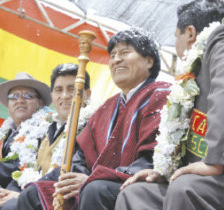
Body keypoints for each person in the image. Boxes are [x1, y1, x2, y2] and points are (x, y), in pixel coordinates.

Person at [17, 27, 170, 210]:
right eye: (112, 55)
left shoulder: (161, 95)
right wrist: (74, 180)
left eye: (125, 52)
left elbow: (152, 157)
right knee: (34, 194)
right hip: (95, 181)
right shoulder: (108, 106)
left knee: (94, 189)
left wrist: (91, 179)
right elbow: (82, 154)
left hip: (136, 184)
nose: (116, 59)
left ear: (149, 60)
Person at [115, 0, 224, 210]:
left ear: (190, 33)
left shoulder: (219, 41)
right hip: (199, 172)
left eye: (177, 37)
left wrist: (215, 162)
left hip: (217, 167)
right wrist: (164, 171)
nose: (176, 45)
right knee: (135, 194)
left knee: (184, 188)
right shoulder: (193, 71)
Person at [0, 64, 92, 210]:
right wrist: (9, 193)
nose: (65, 95)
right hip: (31, 195)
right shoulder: (43, 128)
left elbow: (73, 170)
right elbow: (24, 166)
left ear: (87, 94)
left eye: (72, 89)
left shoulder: (91, 125)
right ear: (52, 96)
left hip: (63, 199)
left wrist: (23, 195)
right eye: (58, 90)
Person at [0, 72, 51, 208]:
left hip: (29, 189)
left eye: (27, 96)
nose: (20, 100)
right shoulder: (6, 131)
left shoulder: (46, 127)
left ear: (39, 102)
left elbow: (22, 165)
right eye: (14, 96)